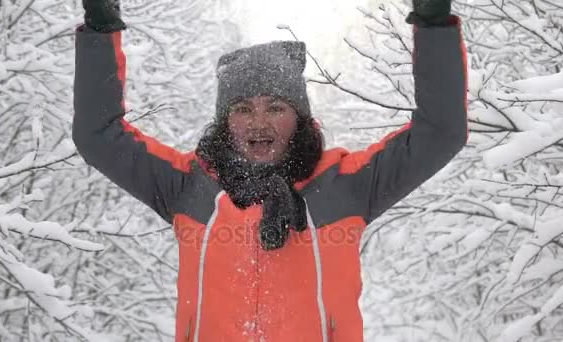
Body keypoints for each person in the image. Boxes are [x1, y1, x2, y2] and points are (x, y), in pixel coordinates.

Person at [73, 0, 467, 340]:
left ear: (300, 119)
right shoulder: (189, 188)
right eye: (242, 109)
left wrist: (432, 24)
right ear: (225, 123)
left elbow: (440, 132)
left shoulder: (343, 186)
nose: (258, 122)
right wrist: (100, 29)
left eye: (276, 107)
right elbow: (99, 137)